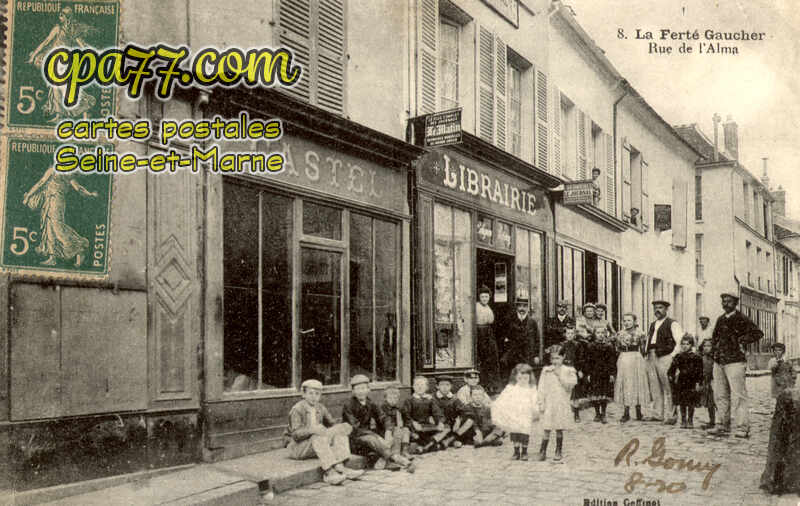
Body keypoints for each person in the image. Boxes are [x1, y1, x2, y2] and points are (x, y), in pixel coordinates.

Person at [285, 379, 365, 486]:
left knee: (339, 433)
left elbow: (332, 424)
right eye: (311, 393)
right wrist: (312, 430)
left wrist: (343, 426)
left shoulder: (320, 407)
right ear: (303, 394)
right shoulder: (297, 409)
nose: (314, 397)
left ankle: (342, 467)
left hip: (315, 445)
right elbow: (295, 435)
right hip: (298, 448)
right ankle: (329, 473)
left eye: (317, 394)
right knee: (317, 436)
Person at [708, 291, 763, 438]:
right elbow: (714, 338)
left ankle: (742, 427)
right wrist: (714, 352)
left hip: (735, 362)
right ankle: (722, 424)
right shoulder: (720, 319)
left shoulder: (741, 318)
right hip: (719, 361)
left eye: (729, 301)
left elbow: (757, 333)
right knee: (720, 395)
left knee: (739, 395)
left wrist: (741, 341)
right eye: (724, 301)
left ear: (735, 303)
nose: (726, 304)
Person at [27, 6, 97, 122]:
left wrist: (33, 55)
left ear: (66, 17)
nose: (59, 16)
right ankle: (60, 114)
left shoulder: (59, 29)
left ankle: (83, 107)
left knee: (62, 87)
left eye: (62, 15)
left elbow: (46, 42)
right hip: (60, 61)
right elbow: (81, 44)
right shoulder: (70, 30)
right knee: (57, 87)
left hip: (61, 62)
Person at [23, 167, 98, 267]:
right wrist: (90, 194)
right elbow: (79, 188)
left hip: (56, 202)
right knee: (49, 227)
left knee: (58, 229)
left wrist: (28, 195)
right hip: (49, 201)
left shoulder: (64, 172)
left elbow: (78, 188)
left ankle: (80, 247)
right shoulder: (58, 171)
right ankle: (52, 257)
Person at [342, 375, 415, 472]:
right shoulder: (348, 405)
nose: (361, 392)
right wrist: (376, 436)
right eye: (358, 389)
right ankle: (398, 459)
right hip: (356, 439)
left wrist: (388, 431)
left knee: (396, 430)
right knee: (371, 438)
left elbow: (383, 417)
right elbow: (355, 427)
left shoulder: (370, 403)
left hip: (370, 436)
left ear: (368, 390)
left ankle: (387, 460)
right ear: (353, 391)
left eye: (363, 388)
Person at [536, 344, 578, 461]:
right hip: (549, 403)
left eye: (557, 358)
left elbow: (570, 385)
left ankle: (558, 450)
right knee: (546, 427)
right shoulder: (546, 371)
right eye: (553, 358)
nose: (555, 361)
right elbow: (541, 387)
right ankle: (543, 450)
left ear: (563, 357)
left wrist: (560, 376)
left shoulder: (568, 371)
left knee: (559, 427)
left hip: (561, 403)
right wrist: (541, 402)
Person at [643, 300, 681, 425]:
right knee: (654, 386)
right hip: (651, 356)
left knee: (668, 386)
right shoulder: (652, 324)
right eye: (655, 308)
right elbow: (649, 340)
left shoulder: (672, 323)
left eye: (660, 308)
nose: (657, 310)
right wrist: (646, 353)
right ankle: (657, 414)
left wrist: (672, 356)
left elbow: (679, 341)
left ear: (666, 309)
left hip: (665, 357)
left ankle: (671, 415)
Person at [491, 363, 539, 461]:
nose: (522, 381)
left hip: (526, 414)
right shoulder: (511, 388)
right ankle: (516, 451)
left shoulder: (531, 389)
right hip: (514, 413)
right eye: (520, 378)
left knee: (525, 432)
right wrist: (496, 404)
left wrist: (536, 410)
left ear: (529, 377)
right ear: (515, 377)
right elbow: (503, 397)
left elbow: (535, 400)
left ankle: (524, 452)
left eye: (525, 378)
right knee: (515, 432)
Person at [614, 313, 650, 423]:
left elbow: (643, 350)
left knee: (637, 382)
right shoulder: (620, 334)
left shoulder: (640, 333)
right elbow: (617, 348)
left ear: (634, 321)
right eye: (624, 320)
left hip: (636, 358)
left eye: (629, 320)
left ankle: (639, 411)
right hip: (624, 358)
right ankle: (626, 412)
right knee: (626, 383)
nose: (626, 323)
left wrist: (641, 359)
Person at [455, 370, 504, 447]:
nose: (474, 380)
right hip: (470, 417)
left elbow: (488, 402)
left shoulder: (480, 388)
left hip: (481, 415)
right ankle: (488, 440)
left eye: (476, 378)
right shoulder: (462, 391)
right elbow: (465, 408)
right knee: (472, 422)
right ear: (466, 379)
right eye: (471, 378)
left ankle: (487, 439)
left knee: (495, 422)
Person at [403, 376, 448, 453]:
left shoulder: (430, 400)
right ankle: (432, 445)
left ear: (426, 387)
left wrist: (440, 422)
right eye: (417, 385)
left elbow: (437, 413)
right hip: (415, 427)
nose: (420, 387)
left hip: (427, 426)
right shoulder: (409, 400)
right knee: (411, 433)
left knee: (446, 428)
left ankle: (427, 446)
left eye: (422, 385)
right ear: (413, 386)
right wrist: (413, 423)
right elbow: (406, 416)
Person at [667, 336, 704, 428]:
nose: (685, 346)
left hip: (692, 381)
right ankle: (683, 420)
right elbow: (672, 369)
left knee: (691, 402)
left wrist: (699, 382)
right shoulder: (678, 356)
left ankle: (690, 420)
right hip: (682, 381)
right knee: (682, 402)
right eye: (683, 344)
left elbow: (700, 371)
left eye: (687, 344)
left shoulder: (696, 357)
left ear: (691, 345)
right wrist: (671, 376)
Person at [500, 300, 540, 379]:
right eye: (520, 306)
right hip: (513, 356)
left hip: (528, 355)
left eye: (524, 306)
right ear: (517, 307)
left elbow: (536, 340)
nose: (522, 309)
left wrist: (536, 355)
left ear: (528, 308)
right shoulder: (509, 321)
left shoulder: (532, 322)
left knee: (526, 377)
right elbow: (503, 337)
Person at [586, 327, 617, 424]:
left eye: (602, 333)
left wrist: (612, 373)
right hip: (594, 372)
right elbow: (588, 361)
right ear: (595, 334)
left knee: (604, 393)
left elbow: (612, 361)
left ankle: (603, 413)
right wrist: (588, 373)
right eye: (598, 333)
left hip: (605, 373)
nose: (600, 335)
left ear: (605, 334)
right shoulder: (591, 346)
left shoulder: (609, 346)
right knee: (595, 393)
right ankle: (597, 413)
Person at [476, 285, 501, 394]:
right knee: (484, 359)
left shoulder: (488, 307)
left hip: (488, 332)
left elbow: (491, 320)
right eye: (482, 297)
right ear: (479, 297)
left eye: (486, 297)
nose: (484, 299)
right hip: (480, 332)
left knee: (492, 358)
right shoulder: (477, 307)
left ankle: (493, 385)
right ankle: (485, 385)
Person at [379, 386, 414, 461]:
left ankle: (404, 451)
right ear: (385, 398)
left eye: (395, 398)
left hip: (399, 428)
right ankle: (396, 453)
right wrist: (392, 428)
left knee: (406, 431)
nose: (393, 400)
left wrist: (407, 426)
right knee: (397, 431)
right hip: (386, 430)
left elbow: (407, 419)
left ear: (398, 398)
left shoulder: (400, 408)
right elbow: (384, 420)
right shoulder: (383, 408)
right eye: (390, 398)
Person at [433, 375, 465, 449]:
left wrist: (458, 420)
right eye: (442, 385)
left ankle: (449, 440)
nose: (445, 387)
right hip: (438, 424)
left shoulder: (454, 399)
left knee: (465, 422)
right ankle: (447, 441)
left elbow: (462, 411)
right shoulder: (433, 398)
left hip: (451, 425)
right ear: (437, 386)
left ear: (451, 386)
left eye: (447, 385)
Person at [698, 338, 717, 429]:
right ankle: (711, 420)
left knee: (715, 401)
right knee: (709, 403)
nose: (706, 348)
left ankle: (719, 420)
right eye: (704, 346)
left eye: (709, 346)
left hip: (713, 381)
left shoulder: (715, 358)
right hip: (705, 382)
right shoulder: (701, 358)